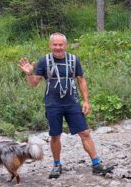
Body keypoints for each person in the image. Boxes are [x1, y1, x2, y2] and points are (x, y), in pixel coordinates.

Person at [19, 33, 115, 178]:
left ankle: (96, 164)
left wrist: (86, 101)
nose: (58, 48)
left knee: (85, 133)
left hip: (72, 103)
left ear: (66, 45)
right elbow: (33, 84)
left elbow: (81, 80)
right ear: (50, 45)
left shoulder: (73, 60)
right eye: (55, 45)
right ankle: (57, 165)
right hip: (53, 104)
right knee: (55, 135)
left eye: (60, 44)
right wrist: (29, 74)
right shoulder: (44, 61)